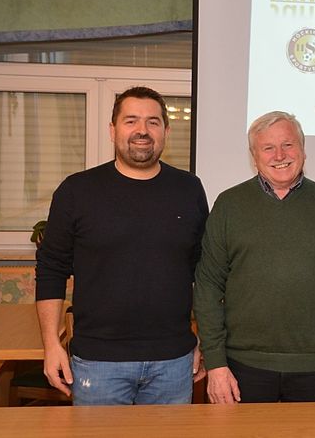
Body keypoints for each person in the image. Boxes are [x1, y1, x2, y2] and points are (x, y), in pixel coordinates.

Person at [35, 86, 209, 405]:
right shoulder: (76, 191)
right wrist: (51, 344)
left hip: (173, 362)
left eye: (153, 122)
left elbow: (204, 273)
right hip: (98, 364)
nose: (142, 130)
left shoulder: (189, 189)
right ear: (113, 130)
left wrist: (202, 340)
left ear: (166, 131)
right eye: (131, 121)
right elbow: (51, 269)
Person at [194, 111, 315, 403]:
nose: (280, 155)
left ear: (302, 150)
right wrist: (216, 363)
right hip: (242, 368)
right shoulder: (228, 206)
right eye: (268, 148)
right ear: (254, 156)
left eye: (288, 145)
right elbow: (208, 287)